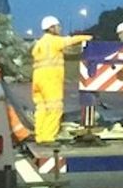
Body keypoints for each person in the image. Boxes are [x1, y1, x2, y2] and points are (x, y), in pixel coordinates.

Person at [31, 15, 93, 145]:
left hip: (38, 79)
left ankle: (40, 136)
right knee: (55, 107)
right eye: (58, 26)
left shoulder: (39, 43)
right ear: (51, 28)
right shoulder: (53, 41)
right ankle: (48, 138)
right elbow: (70, 41)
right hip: (50, 79)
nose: (60, 28)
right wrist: (86, 37)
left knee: (41, 108)